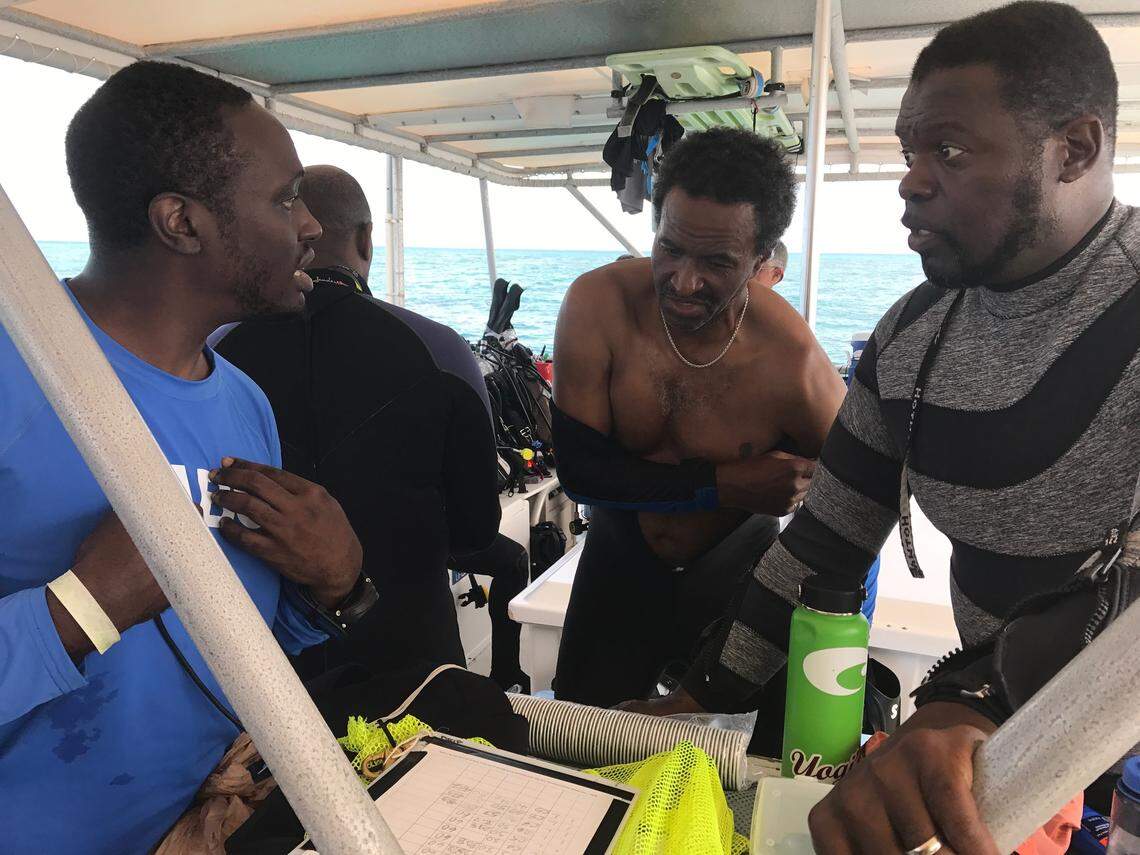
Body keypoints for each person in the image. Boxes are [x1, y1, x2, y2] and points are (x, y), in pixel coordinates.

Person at [636, 4, 1138, 853]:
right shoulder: (911, 334)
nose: (910, 179)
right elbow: (822, 547)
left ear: (1075, 149)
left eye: (948, 149)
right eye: (909, 151)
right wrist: (695, 705)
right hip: (996, 733)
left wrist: (974, 701)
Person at [0, 63, 376, 854]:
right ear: (181, 222)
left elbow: (240, 659)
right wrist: (82, 607)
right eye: (284, 198)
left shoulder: (244, 403)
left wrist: (330, 586)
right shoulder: (12, 372)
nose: (311, 225)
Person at [551, 128, 865, 724]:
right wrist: (725, 484)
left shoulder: (790, 359)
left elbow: (855, 513)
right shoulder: (599, 306)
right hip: (621, 562)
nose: (684, 281)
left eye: (717, 262)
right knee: (580, 746)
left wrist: (838, 641)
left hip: (737, 574)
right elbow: (582, 473)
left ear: (763, 256)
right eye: (669, 249)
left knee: (759, 767)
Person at [216, 165, 502, 678]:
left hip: (260, 659)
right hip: (413, 653)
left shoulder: (213, 350)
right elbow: (476, 530)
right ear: (367, 238)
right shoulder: (440, 350)